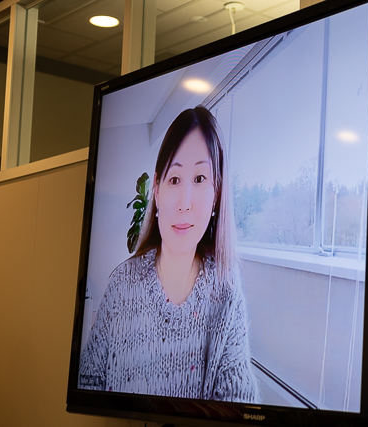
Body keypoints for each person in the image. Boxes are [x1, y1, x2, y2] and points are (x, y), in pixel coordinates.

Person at [79, 106, 258, 402]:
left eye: (200, 179)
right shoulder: (122, 284)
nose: (184, 203)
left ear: (216, 195)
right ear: (158, 191)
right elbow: (89, 381)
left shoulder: (226, 288)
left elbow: (238, 397)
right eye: (175, 180)